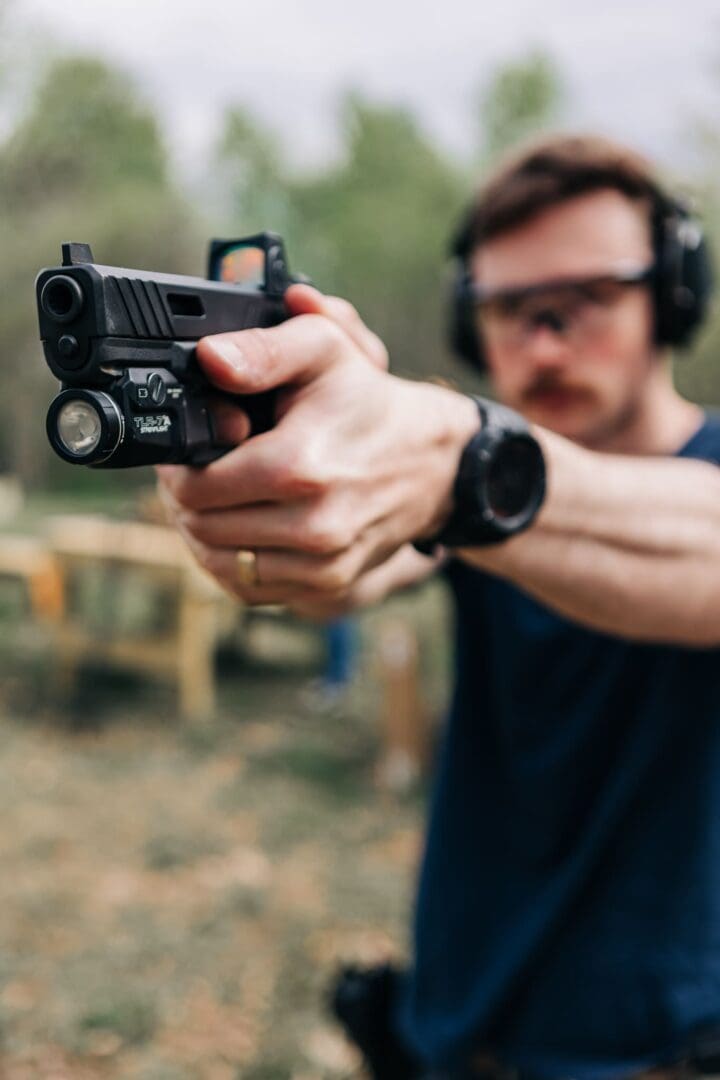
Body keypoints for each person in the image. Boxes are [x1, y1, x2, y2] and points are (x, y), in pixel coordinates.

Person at [156, 134, 720, 1080]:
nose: (542, 341)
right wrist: (278, 501)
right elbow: (357, 568)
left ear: (671, 296)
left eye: (588, 300)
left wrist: (458, 466)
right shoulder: (465, 494)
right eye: (507, 309)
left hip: (659, 1040)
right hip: (453, 1022)